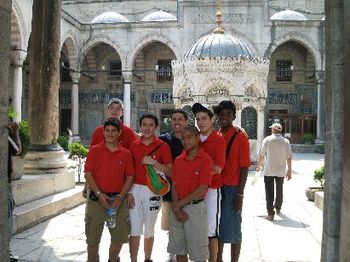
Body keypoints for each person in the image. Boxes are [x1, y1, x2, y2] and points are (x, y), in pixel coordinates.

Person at [84, 119, 134, 262]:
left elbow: (130, 177)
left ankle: (113, 259)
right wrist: (99, 194)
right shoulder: (95, 151)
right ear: (103, 132)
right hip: (96, 201)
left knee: (118, 238)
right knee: (92, 239)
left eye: (113, 131)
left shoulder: (126, 154)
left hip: (117, 204)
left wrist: (120, 197)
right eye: (107, 131)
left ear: (119, 133)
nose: (110, 134)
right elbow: (88, 173)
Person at [128, 113, 173, 262]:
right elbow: (127, 172)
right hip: (134, 189)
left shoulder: (163, 146)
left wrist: (153, 163)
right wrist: (128, 192)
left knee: (149, 228)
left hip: (152, 190)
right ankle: (133, 259)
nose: (147, 128)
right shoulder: (133, 145)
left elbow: (170, 171)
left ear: (156, 127)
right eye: (144, 124)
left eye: (151, 125)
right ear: (140, 126)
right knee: (134, 229)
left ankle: (148, 258)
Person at [168, 125, 212, 262]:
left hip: (195, 209)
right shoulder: (179, 160)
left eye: (189, 138)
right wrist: (177, 207)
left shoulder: (205, 160)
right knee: (179, 249)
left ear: (197, 137)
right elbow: (174, 184)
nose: (186, 141)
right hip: (177, 208)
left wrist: (179, 204)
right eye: (183, 139)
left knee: (198, 251)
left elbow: (202, 188)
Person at [215, 100, 250, 262]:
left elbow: (244, 166)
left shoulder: (240, 136)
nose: (225, 117)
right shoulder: (217, 135)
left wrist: (240, 194)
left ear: (234, 116)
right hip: (217, 186)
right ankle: (219, 258)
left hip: (232, 187)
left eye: (228, 114)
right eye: (222, 113)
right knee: (220, 226)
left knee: (234, 226)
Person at [192, 103, 226, 262]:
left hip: (212, 190)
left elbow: (218, 168)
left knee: (211, 231)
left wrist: (198, 173)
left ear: (212, 119)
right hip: (194, 191)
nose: (201, 122)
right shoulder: (194, 139)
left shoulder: (218, 140)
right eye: (198, 119)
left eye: (204, 118)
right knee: (197, 229)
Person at [84, 98, 137, 197]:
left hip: (120, 182)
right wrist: (87, 184)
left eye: (118, 108)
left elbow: (132, 160)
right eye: (112, 108)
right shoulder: (98, 131)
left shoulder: (128, 132)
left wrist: (129, 191)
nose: (114, 111)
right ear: (108, 110)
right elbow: (90, 160)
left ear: (122, 112)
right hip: (99, 182)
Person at [159, 109, 188, 261]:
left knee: (186, 222)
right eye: (174, 119)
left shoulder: (191, 139)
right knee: (171, 223)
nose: (177, 122)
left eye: (180, 119)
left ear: (186, 121)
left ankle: (184, 252)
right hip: (169, 189)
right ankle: (173, 252)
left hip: (188, 189)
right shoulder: (164, 139)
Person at [256, 122, 292, 221]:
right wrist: (289, 171)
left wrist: (259, 166)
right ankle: (278, 207)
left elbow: (262, 155)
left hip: (269, 170)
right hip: (280, 170)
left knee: (269, 191)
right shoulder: (285, 141)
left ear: (273, 130)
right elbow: (289, 157)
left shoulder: (267, 140)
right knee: (279, 189)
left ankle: (270, 213)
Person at [7, 119, 21, 262]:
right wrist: (16, 131)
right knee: (7, 212)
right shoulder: (5, 136)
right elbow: (18, 150)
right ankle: (6, 249)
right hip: (4, 182)